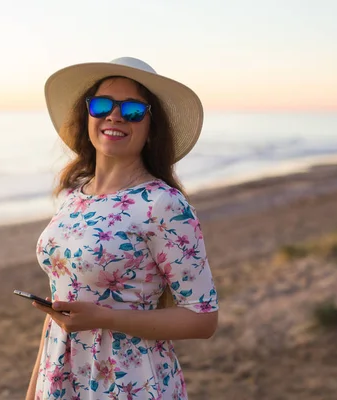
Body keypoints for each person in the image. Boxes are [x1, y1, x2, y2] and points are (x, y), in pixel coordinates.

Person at [26, 57, 219, 400]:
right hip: (59, 377)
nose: (114, 116)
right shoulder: (73, 197)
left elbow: (202, 319)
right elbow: (58, 316)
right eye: (102, 105)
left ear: (151, 128)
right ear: (87, 115)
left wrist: (103, 317)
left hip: (129, 382)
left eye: (132, 110)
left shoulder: (163, 205)